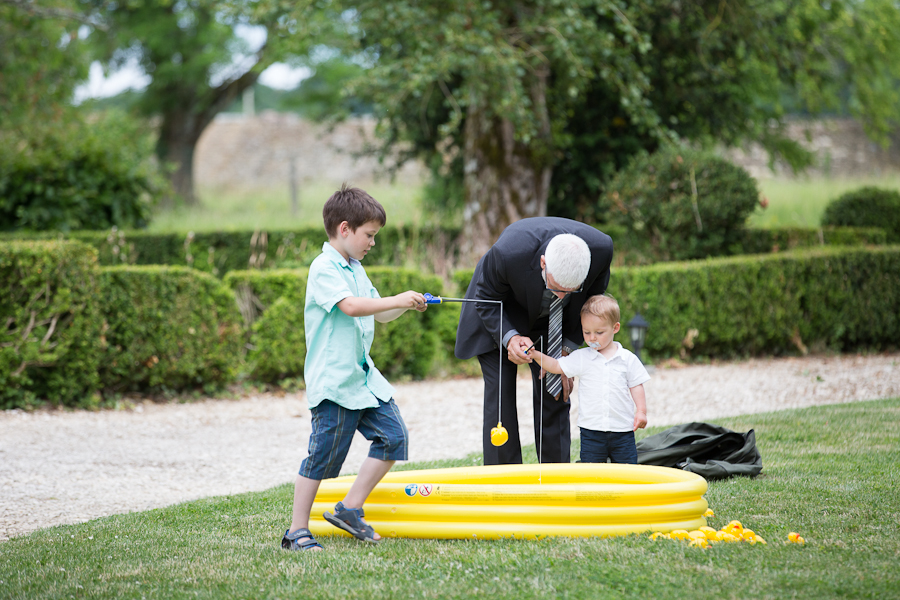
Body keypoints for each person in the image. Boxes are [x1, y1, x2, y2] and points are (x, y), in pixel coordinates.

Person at [282, 184, 428, 551]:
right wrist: (393, 300)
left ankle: (349, 508)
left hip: (364, 382)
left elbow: (381, 313)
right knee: (323, 458)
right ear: (344, 229)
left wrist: (406, 304)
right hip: (334, 384)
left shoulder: (356, 268)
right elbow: (350, 306)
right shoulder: (323, 267)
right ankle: (296, 531)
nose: (372, 243)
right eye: (369, 235)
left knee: (394, 438)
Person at [455, 217, 614, 465]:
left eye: (569, 291)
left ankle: (555, 477)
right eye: (556, 288)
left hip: (555, 323)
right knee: (500, 398)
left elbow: (592, 300)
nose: (561, 296)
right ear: (543, 263)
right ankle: (504, 481)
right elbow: (485, 297)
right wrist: (510, 338)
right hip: (501, 313)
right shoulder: (509, 251)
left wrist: (568, 349)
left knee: (556, 388)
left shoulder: (601, 249)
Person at [526, 294, 649, 464]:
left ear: (615, 328)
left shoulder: (627, 359)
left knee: (627, 473)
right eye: (586, 332)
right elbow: (556, 366)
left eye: (599, 332)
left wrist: (641, 411)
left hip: (622, 431)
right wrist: (535, 354)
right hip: (591, 432)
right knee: (592, 474)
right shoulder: (582, 357)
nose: (592, 338)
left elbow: (636, 385)